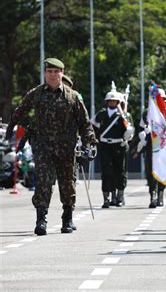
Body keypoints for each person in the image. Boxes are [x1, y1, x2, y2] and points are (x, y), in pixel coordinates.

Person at [5, 58, 97, 235]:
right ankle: (41, 219)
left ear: (62, 73)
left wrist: (90, 143)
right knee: (43, 182)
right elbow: (20, 111)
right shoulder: (36, 94)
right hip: (43, 146)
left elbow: (84, 122)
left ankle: (67, 217)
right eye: (50, 72)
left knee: (67, 183)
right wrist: (10, 129)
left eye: (57, 72)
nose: (53, 75)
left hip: (66, 147)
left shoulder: (72, 96)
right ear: (45, 73)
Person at [91, 88, 134, 208]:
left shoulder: (124, 115)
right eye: (110, 101)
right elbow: (92, 127)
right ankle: (106, 198)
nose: (112, 103)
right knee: (106, 172)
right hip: (105, 146)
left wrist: (129, 132)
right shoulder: (101, 114)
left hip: (119, 146)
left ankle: (120, 197)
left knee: (120, 172)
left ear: (118, 102)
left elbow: (130, 132)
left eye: (114, 101)